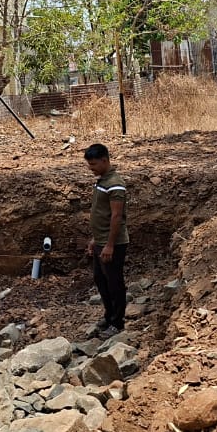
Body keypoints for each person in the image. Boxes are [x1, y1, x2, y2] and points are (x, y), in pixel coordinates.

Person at [84, 144, 129, 339]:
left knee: (114, 282)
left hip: (113, 243)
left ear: (105, 160)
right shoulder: (102, 181)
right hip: (101, 241)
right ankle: (109, 315)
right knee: (100, 279)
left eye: (93, 164)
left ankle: (117, 323)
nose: (90, 168)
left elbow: (116, 216)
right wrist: (96, 239)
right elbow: (102, 213)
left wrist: (110, 245)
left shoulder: (115, 184)